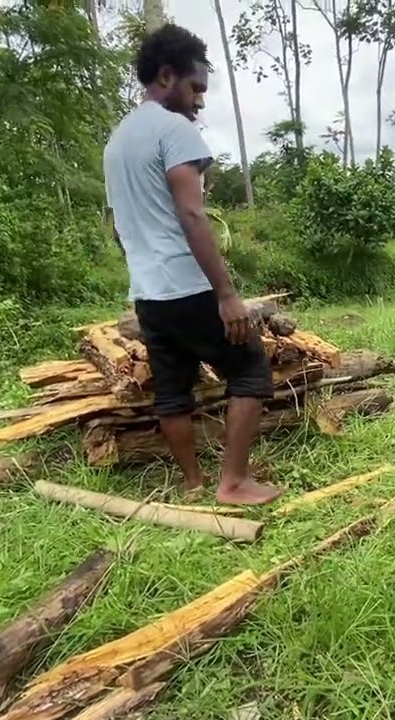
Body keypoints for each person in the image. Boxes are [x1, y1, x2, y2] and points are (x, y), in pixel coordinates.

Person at [103, 24, 282, 506]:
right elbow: (191, 213)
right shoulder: (175, 129)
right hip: (188, 284)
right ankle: (233, 483)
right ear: (167, 76)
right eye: (196, 87)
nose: (200, 101)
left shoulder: (117, 141)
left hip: (148, 293)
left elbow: (118, 227)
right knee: (249, 369)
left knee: (172, 387)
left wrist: (146, 266)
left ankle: (193, 483)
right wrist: (226, 294)